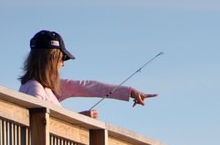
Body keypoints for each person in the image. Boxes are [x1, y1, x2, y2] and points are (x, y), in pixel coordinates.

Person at [19, 30, 157, 117]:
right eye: (62, 58)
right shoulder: (35, 89)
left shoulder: (48, 88)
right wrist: (80, 119)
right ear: (51, 59)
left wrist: (130, 92)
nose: (63, 64)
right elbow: (40, 123)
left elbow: (89, 86)